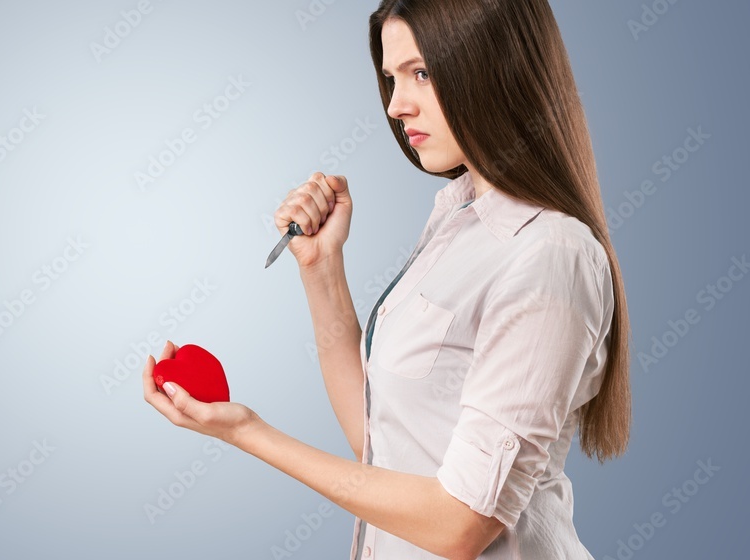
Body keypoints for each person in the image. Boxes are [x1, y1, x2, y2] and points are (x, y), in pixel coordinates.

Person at [143, 0, 632, 557]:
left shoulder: (551, 254)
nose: (397, 105)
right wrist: (321, 267)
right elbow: (378, 442)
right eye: (391, 79)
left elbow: (461, 524)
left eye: (420, 74)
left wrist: (246, 432)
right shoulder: (456, 219)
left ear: (495, 70)